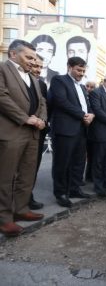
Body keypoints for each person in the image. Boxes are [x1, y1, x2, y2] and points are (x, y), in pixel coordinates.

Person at [0, 39, 47, 236]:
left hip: (32, 133)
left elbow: (42, 101)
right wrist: (26, 119)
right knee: (5, 176)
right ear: (13, 54)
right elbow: (2, 96)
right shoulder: (3, 69)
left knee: (27, 174)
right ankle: (4, 218)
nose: (32, 61)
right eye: (28, 57)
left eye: (34, 58)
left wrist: (42, 120)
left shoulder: (33, 78)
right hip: (12, 131)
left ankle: (21, 210)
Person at [48, 57, 94, 208]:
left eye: (83, 71)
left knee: (78, 162)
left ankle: (74, 189)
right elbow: (62, 102)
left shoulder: (81, 87)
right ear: (69, 67)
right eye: (78, 70)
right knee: (62, 162)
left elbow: (87, 105)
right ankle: (60, 193)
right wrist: (83, 115)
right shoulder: (59, 80)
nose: (81, 73)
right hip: (64, 129)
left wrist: (91, 114)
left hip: (81, 129)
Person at [29, 54, 48, 210]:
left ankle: (28, 196)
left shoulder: (42, 84)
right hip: (17, 130)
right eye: (36, 66)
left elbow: (44, 105)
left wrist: (42, 120)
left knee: (32, 166)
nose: (38, 70)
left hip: (38, 131)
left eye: (41, 67)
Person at [84, 80, 97, 183]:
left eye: (92, 87)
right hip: (80, 130)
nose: (89, 88)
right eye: (87, 86)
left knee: (92, 155)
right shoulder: (81, 96)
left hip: (92, 131)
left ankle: (89, 176)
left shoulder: (95, 98)